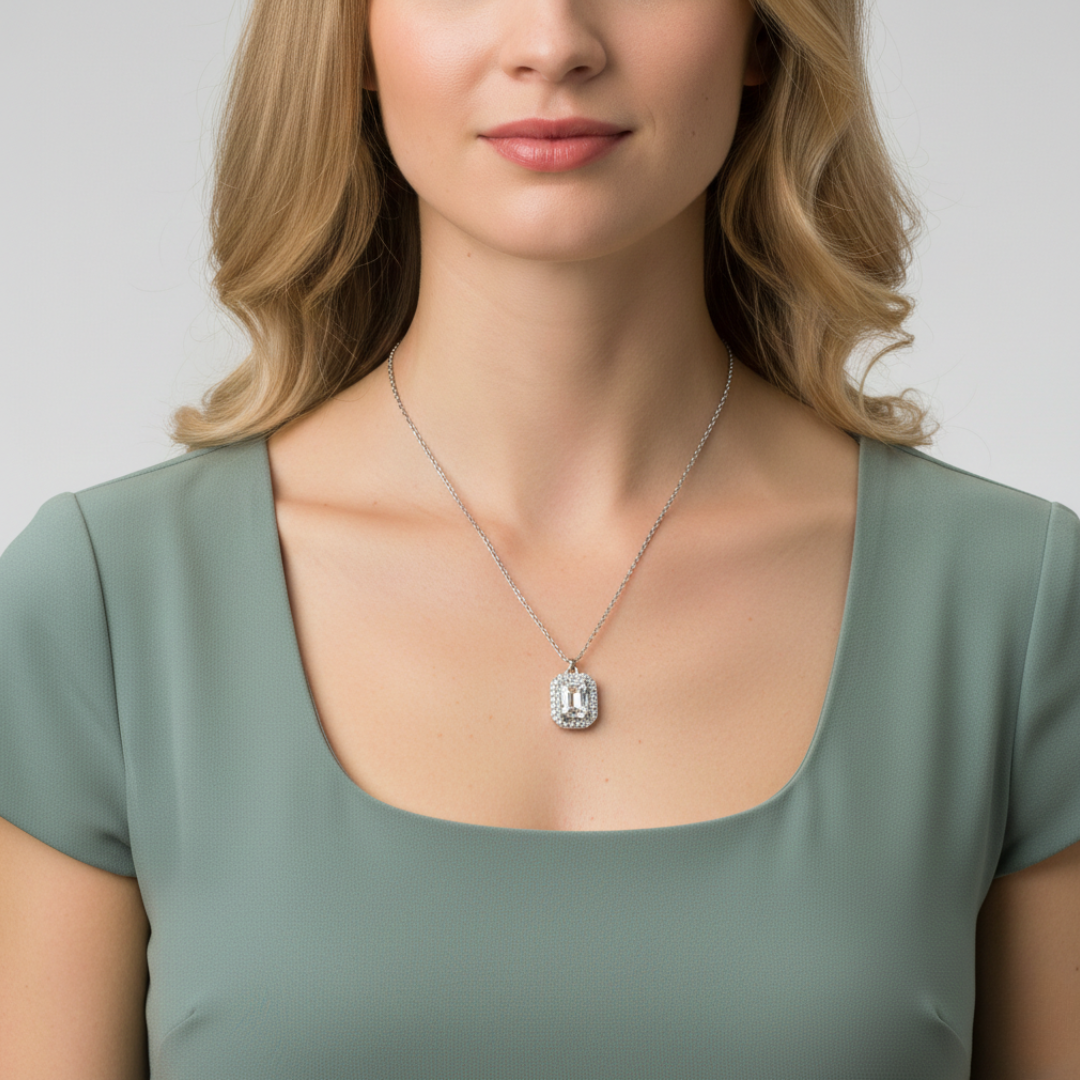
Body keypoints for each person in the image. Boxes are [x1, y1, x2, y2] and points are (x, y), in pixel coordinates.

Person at [1, 0, 1078, 1074]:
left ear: (765, 32)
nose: (554, 41)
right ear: (353, 40)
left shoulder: (1012, 608)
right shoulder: (105, 605)